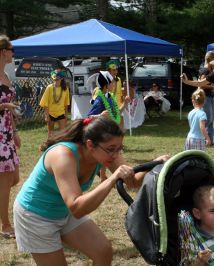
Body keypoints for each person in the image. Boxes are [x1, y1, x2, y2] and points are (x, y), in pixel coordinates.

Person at [13, 116, 168, 265]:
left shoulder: (104, 154)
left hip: (63, 211)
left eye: (119, 149)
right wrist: (112, 180)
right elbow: (77, 208)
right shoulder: (62, 155)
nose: (115, 155)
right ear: (90, 144)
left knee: (103, 251)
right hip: (34, 215)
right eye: (111, 149)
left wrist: (154, 164)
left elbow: (132, 181)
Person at [0, 35, 20, 239]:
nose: (13, 53)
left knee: (15, 178)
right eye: (11, 49)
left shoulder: (5, 75)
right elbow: (6, 107)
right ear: (4, 51)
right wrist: (4, 106)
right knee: (5, 181)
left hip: (6, 133)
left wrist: (15, 132)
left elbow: (9, 111)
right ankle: (5, 225)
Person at [88, 71, 122, 181]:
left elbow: (114, 113)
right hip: (102, 132)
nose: (114, 84)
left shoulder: (109, 97)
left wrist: (125, 104)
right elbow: (89, 116)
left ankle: (102, 176)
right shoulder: (99, 99)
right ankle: (102, 176)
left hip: (109, 130)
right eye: (112, 82)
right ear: (106, 85)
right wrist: (100, 115)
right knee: (105, 155)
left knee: (107, 156)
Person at [39, 69, 70, 137]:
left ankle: (61, 146)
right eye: (55, 78)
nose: (56, 80)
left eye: (58, 78)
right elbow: (45, 103)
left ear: (61, 79)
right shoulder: (49, 88)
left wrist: (66, 115)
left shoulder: (65, 89)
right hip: (50, 114)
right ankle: (49, 146)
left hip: (61, 113)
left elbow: (66, 104)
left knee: (63, 134)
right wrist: (47, 116)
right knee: (50, 134)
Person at [199, 51, 214, 145]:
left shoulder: (209, 69)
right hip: (205, 96)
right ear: (211, 59)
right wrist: (213, 87)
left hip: (209, 96)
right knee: (208, 119)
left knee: (211, 120)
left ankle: (209, 141)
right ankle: (202, 139)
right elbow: (201, 84)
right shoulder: (206, 70)